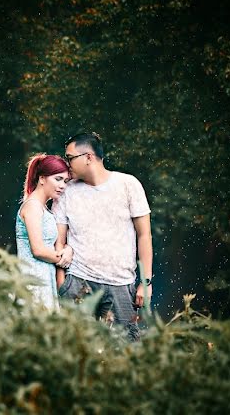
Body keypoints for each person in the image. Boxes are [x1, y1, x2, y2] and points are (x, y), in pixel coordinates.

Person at [54, 132, 153, 340]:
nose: (67, 164)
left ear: (88, 157)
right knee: (73, 349)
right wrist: (62, 285)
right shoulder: (66, 191)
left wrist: (145, 282)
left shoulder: (128, 184)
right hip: (78, 283)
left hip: (120, 284)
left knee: (126, 351)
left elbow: (144, 236)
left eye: (70, 158)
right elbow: (59, 241)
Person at [15, 154, 74, 309]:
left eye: (66, 181)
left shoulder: (41, 207)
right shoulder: (33, 206)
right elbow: (38, 250)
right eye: (58, 179)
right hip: (32, 280)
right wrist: (65, 256)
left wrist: (67, 248)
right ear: (42, 179)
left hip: (44, 278)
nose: (63, 185)